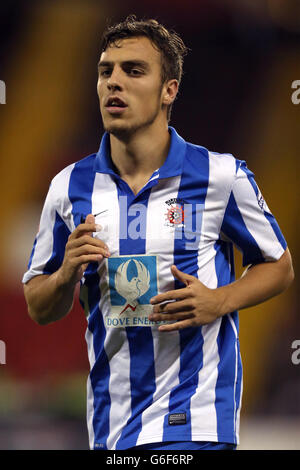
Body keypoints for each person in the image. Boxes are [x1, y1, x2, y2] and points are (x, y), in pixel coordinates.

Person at [22, 15, 294, 451]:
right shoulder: (69, 187)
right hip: (111, 428)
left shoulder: (219, 177)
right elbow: (40, 306)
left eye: (133, 71)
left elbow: (279, 266)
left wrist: (219, 300)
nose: (114, 82)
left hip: (197, 423)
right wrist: (65, 273)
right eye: (105, 71)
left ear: (169, 90)